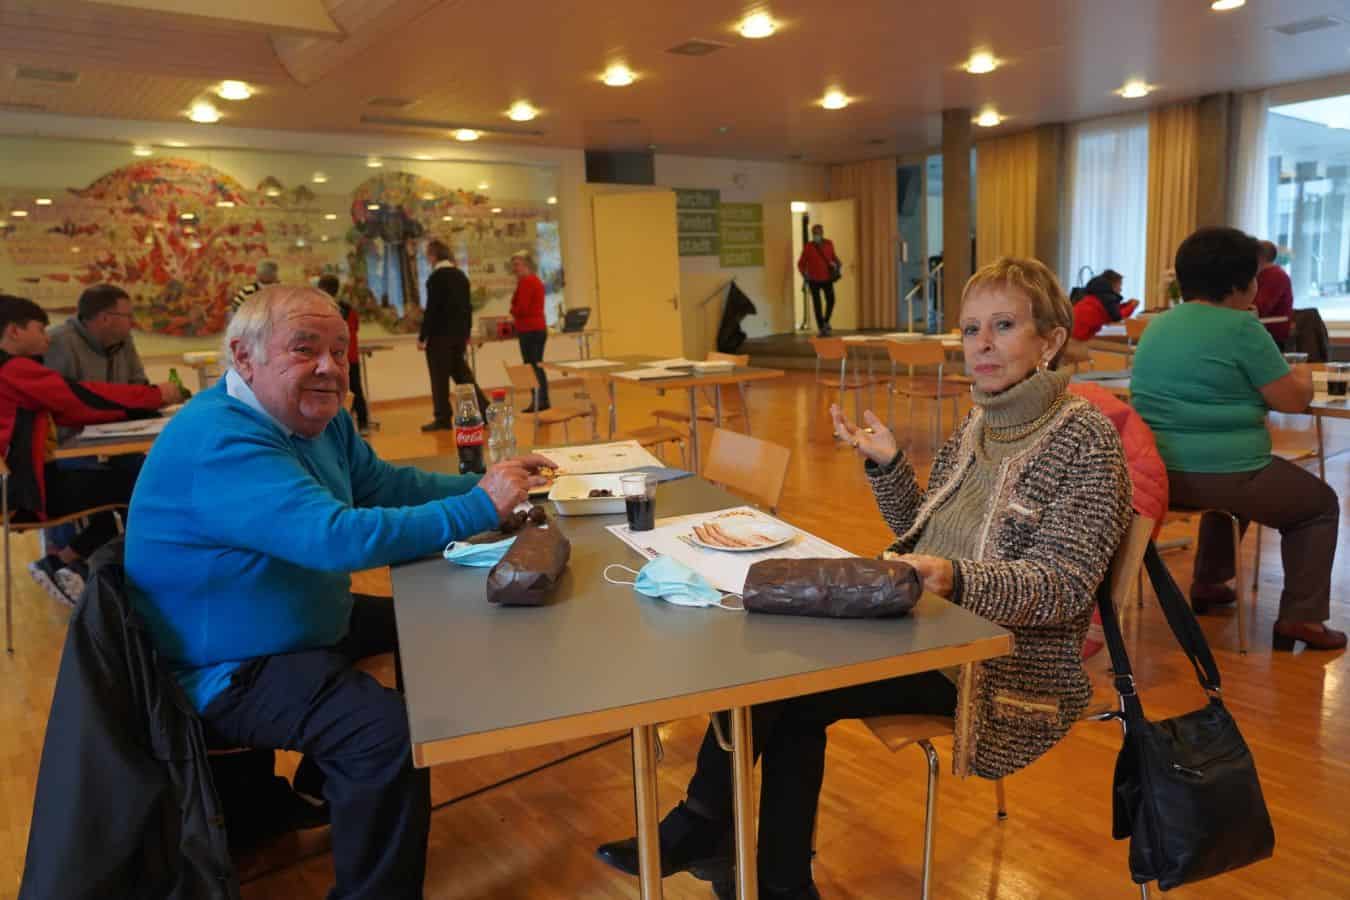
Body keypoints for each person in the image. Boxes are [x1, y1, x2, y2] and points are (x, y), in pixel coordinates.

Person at [596, 258, 1131, 899]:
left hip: (998, 664)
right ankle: (746, 856)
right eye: (971, 329)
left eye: (1004, 326)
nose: (982, 345)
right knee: (773, 662)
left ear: (1051, 340)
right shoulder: (979, 423)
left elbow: (1063, 588)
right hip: (926, 624)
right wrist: (890, 465)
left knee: (789, 687)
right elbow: (920, 534)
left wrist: (952, 579)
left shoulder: (1086, 440)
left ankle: (718, 836)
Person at [125, 285, 553, 900]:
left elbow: (381, 484)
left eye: (339, 350)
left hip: (292, 618)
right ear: (244, 357)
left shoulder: (315, 417)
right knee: (385, 738)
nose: (329, 366)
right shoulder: (220, 440)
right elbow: (337, 538)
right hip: (230, 662)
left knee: (434, 620)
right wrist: (479, 506)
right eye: (305, 349)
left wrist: (483, 487)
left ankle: (324, 786)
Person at [1131, 227, 1342, 651]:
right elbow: (1291, 400)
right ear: (1240, 284)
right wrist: (1303, 378)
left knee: (1234, 495)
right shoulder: (1243, 328)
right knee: (1318, 506)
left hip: (1156, 473)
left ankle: (1210, 582)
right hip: (1226, 473)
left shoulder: (1156, 326)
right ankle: (1302, 619)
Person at [0, 294, 180, 605]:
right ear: (14, 331)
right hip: (25, 494)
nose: (47, 338)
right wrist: (154, 396)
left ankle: (69, 564)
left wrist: (141, 406)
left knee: (119, 485)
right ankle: (124, 582)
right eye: (40, 329)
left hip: (18, 488)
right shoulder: (14, 370)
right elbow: (80, 397)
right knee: (139, 485)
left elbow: (70, 410)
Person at [419, 239, 486, 430]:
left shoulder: (436, 278)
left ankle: (442, 418)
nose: (427, 259)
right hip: (458, 336)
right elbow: (467, 308)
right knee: (463, 376)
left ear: (433, 256)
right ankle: (484, 410)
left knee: (439, 378)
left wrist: (423, 336)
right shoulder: (460, 276)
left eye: (428, 256)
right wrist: (466, 333)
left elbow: (432, 310)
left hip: (440, 336)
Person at [318, 274, 370, 433]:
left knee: (332, 391)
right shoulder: (348, 308)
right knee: (356, 389)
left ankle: (337, 427)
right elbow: (355, 328)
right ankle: (363, 423)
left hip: (334, 357)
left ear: (322, 288)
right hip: (350, 356)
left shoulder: (322, 309)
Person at [510, 250, 550, 412]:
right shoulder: (533, 280)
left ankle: (539, 401)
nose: (514, 268)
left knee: (532, 367)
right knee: (536, 366)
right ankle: (541, 400)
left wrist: (513, 310)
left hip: (530, 330)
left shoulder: (527, 282)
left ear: (526, 264)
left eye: (517, 264)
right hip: (536, 328)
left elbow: (521, 308)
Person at [1070, 269, 1140, 341]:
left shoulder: (1099, 293)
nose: (1120, 289)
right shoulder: (1107, 296)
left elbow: (1111, 310)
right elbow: (1117, 316)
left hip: (1073, 330)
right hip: (1080, 335)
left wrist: (1127, 304)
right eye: (1119, 285)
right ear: (1113, 285)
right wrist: (1132, 306)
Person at [797, 224, 842, 336]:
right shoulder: (809, 246)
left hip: (827, 278)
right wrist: (804, 274)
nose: (816, 235)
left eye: (818, 233)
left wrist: (837, 264)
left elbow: (833, 257)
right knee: (817, 305)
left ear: (822, 233)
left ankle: (825, 321)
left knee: (831, 300)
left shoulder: (829, 244)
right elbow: (801, 263)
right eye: (814, 233)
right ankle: (821, 327)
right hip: (814, 280)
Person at [1253, 240, 1294, 347]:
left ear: (1259, 257)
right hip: (1260, 329)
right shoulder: (1263, 275)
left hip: (1270, 334)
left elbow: (1259, 308)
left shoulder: (1275, 276)